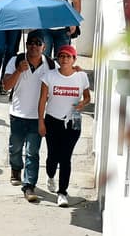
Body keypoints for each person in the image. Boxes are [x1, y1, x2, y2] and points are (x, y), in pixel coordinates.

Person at [38, 46, 92, 208]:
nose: (64, 59)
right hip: (52, 121)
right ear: (58, 59)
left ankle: (62, 192)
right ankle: (50, 175)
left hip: (73, 123)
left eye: (68, 56)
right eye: (61, 56)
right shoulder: (49, 76)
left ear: (74, 59)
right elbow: (42, 100)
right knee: (53, 156)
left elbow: (88, 97)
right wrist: (40, 121)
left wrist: (83, 103)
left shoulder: (81, 76)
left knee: (66, 157)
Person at [2, 32, 51, 203]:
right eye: (30, 42)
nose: (34, 46)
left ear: (44, 47)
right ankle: (16, 169)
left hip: (37, 117)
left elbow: (61, 81)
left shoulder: (50, 65)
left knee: (32, 152)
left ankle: (29, 185)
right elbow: (6, 86)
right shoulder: (15, 61)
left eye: (38, 43)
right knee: (15, 147)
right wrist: (18, 71)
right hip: (17, 114)